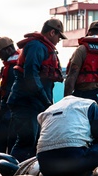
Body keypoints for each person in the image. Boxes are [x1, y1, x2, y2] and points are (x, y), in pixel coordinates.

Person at [7, 18, 65, 161]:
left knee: (35, 142)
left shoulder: (43, 47)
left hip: (34, 103)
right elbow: (31, 76)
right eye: (59, 36)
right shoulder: (36, 46)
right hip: (25, 103)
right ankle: (10, 170)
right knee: (26, 140)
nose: (59, 40)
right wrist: (46, 101)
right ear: (52, 32)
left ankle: (28, 170)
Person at [0, 36, 19, 153]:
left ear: (8, 50)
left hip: (9, 113)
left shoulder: (12, 69)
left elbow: (9, 94)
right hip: (13, 113)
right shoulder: (14, 65)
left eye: (0, 53)